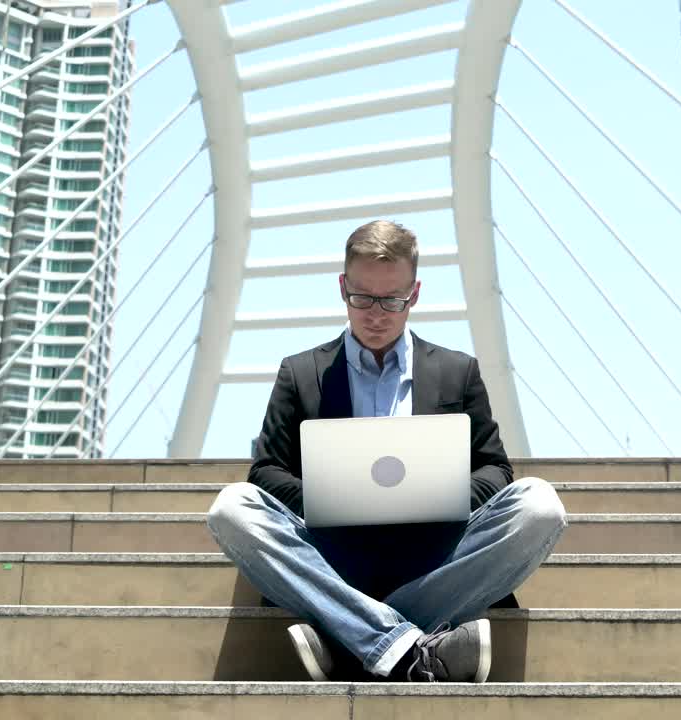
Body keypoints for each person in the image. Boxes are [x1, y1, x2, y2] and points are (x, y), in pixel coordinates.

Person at [206, 220, 567, 683]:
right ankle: (416, 649)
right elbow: (267, 473)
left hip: (435, 552)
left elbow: (496, 469)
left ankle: (355, 638)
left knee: (540, 506)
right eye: (362, 298)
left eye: (391, 301)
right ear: (342, 288)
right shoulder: (300, 373)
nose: (376, 314)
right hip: (335, 554)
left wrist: (442, 495)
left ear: (414, 294)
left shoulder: (459, 372)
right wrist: (331, 500)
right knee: (231, 507)